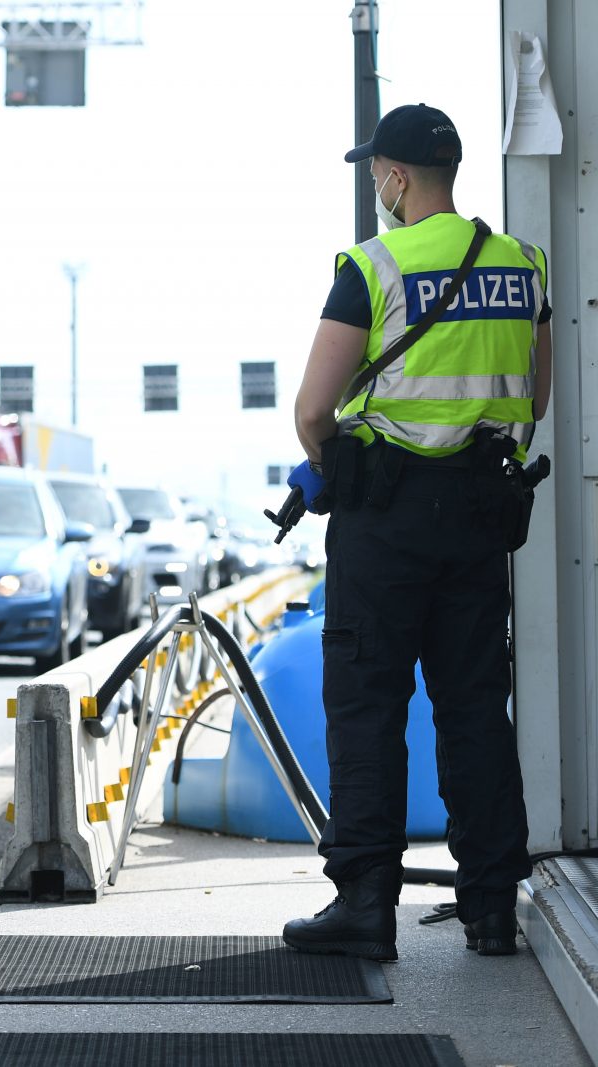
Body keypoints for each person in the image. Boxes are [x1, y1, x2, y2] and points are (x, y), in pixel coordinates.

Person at [283, 104, 551, 962]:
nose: (376, 186)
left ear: (396, 178)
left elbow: (314, 410)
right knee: (475, 707)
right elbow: (532, 401)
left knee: (366, 705)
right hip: (479, 516)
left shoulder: (375, 265)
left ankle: (365, 904)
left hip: (386, 523)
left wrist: (333, 463)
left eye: (376, 173)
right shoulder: (523, 265)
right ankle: (492, 907)